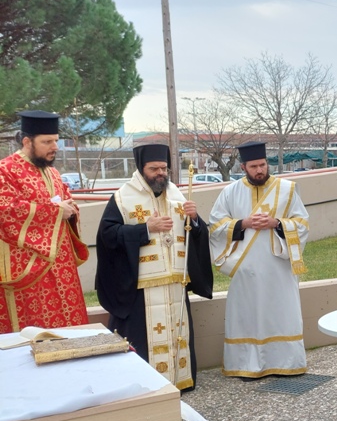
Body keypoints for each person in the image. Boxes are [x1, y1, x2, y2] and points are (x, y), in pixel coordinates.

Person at [96, 144, 214, 390]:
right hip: (141, 287)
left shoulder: (176, 195)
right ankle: (145, 387)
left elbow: (196, 235)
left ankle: (179, 381)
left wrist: (195, 220)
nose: (160, 173)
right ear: (141, 168)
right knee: (145, 337)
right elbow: (107, 236)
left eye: (163, 168)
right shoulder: (123, 197)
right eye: (154, 169)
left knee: (177, 333)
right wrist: (146, 229)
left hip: (174, 282)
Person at [209, 142, 310, 379]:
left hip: (279, 268)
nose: (259, 170)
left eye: (262, 165)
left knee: (281, 313)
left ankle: (286, 363)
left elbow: (303, 224)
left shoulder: (287, 189)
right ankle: (245, 365)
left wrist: (276, 223)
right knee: (247, 315)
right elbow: (215, 226)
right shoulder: (230, 192)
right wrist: (243, 224)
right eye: (253, 166)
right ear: (243, 166)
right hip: (247, 270)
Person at [0, 110, 88, 333]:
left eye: (56, 141)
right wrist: (55, 211)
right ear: (27, 141)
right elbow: (6, 212)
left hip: (62, 266)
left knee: (70, 332)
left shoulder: (53, 173)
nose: (54, 147)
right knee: (37, 332)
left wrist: (70, 210)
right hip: (30, 270)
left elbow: (66, 204)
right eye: (47, 142)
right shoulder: (5, 171)